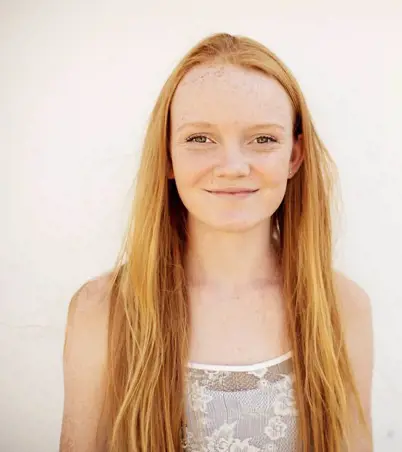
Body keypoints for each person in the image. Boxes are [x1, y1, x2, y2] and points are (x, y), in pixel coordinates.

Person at [60, 33, 373, 452]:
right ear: (167, 157)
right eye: (199, 139)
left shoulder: (342, 307)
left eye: (263, 139)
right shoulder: (103, 312)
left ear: (294, 157)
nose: (233, 167)